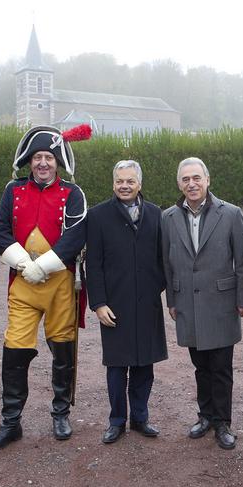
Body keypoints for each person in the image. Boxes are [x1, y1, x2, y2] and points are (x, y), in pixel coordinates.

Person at [0, 124, 90, 451]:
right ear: (30, 162)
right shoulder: (12, 191)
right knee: (15, 349)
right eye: (37, 157)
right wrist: (23, 264)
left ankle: (60, 413)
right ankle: (11, 421)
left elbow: (75, 236)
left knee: (62, 350)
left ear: (57, 162)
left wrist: (42, 266)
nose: (43, 163)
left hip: (60, 284)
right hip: (23, 285)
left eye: (48, 157)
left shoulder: (73, 193)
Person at [161, 157, 243, 450]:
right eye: (186, 179)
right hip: (187, 302)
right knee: (200, 366)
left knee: (221, 367)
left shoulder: (231, 214)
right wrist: (171, 300)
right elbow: (167, 263)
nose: (192, 184)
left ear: (207, 180)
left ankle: (223, 423)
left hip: (222, 303)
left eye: (196, 178)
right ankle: (205, 416)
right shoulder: (168, 218)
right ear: (179, 184)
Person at [86, 160, 167, 444]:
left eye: (130, 181)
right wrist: (98, 303)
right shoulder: (97, 216)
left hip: (147, 304)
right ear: (113, 183)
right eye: (120, 181)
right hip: (114, 305)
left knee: (145, 365)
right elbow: (92, 265)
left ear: (139, 184)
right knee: (117, 367)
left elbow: (163, 259)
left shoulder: (157, 214)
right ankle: (117, 421)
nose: (124, 186)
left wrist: (158, 288)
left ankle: (141, 418)